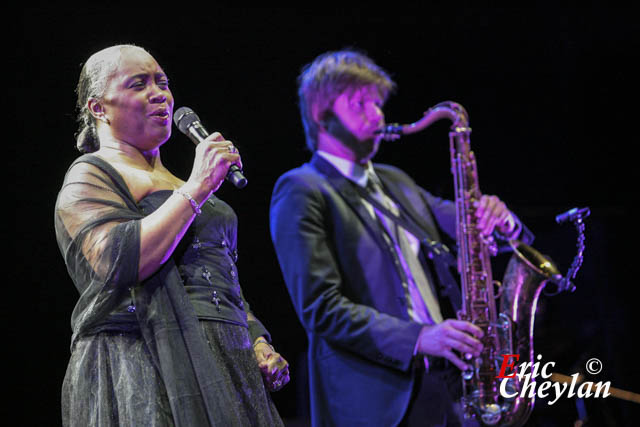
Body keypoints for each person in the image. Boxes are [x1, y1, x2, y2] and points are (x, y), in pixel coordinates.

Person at [269, 49, 534, 426]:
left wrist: (500, 219)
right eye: (360, 102)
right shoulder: (302, 189)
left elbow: (471, 225)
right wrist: (419, 337)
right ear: (321, 114)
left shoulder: (396, 180)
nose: (377, 114)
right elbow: (320, 308)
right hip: (379, 400)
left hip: (450, 383)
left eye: (378, 104)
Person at [55, 44, 289, 426]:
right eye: (138, 84)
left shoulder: (185, 185)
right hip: (148, 361)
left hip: (226, 360)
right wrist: (198, 188)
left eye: (162, 82)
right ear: (99, 108)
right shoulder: (91, 175)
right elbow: (120, 260)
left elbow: (220, 276)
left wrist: (256, 340)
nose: (159, 93)